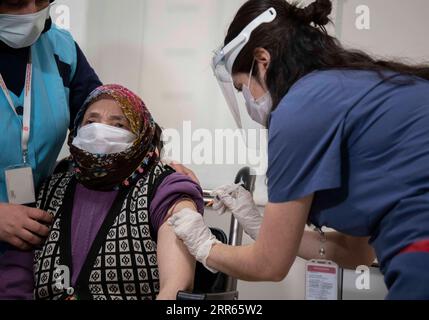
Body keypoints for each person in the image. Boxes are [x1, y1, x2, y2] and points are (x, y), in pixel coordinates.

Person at [169, 0, 429, 300]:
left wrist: (205, 246)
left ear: (262, 60)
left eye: (242, 88)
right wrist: (260, 225)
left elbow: (269, 265)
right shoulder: (345, 87)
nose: (247, 100)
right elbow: (355, 252)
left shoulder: (299, 109)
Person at [31, 84, 204, 300]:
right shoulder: (52, 187)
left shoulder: (164, 188)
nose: (100, 131)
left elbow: (177, 286)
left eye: (118, 124)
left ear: (141, 135)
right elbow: (18, 274)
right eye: (91, 122)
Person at [0, 0, 101, 299]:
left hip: (35, 247)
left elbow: (100, 120)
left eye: (43, 1)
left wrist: (152, 159)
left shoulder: (60, 48)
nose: (32, 12)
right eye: (18, 2)